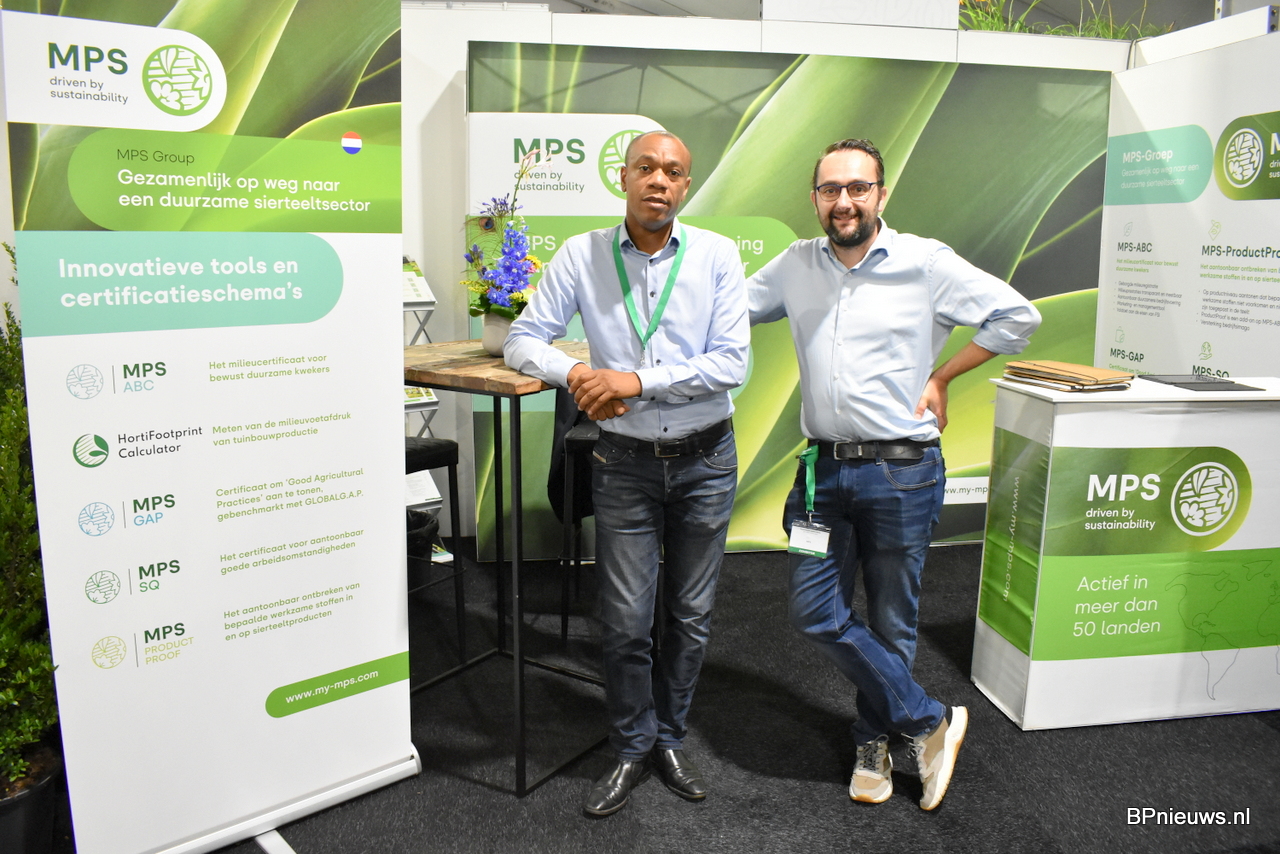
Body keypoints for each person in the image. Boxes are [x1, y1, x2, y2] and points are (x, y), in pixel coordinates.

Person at [747, 138, 1041, 810]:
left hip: (901, 473)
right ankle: (929, 719)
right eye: (830, 189)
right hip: (821, 475)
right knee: (813, 612)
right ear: (815, 198)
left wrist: (944, 375)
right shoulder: (795, 265)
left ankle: (873, 744)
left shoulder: (925, 262)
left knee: (891, 620)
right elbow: (723, 306)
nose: (844, 201)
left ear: (881, 194)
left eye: (858, 187)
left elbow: (1017, 317)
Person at [505, 130, 749, 816]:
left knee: (690, 614)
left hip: (706, 460)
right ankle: (632, 744)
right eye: (646, 167)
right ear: (624, 177)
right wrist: (579, 374)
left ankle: (670, 737)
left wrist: (635, 381)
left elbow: (731, 363)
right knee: (623, 621)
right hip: (623, 464)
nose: (659, 181)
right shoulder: (582, 254)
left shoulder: (716, 255)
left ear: (686, 185)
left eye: (673, 171)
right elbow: (523, 340)